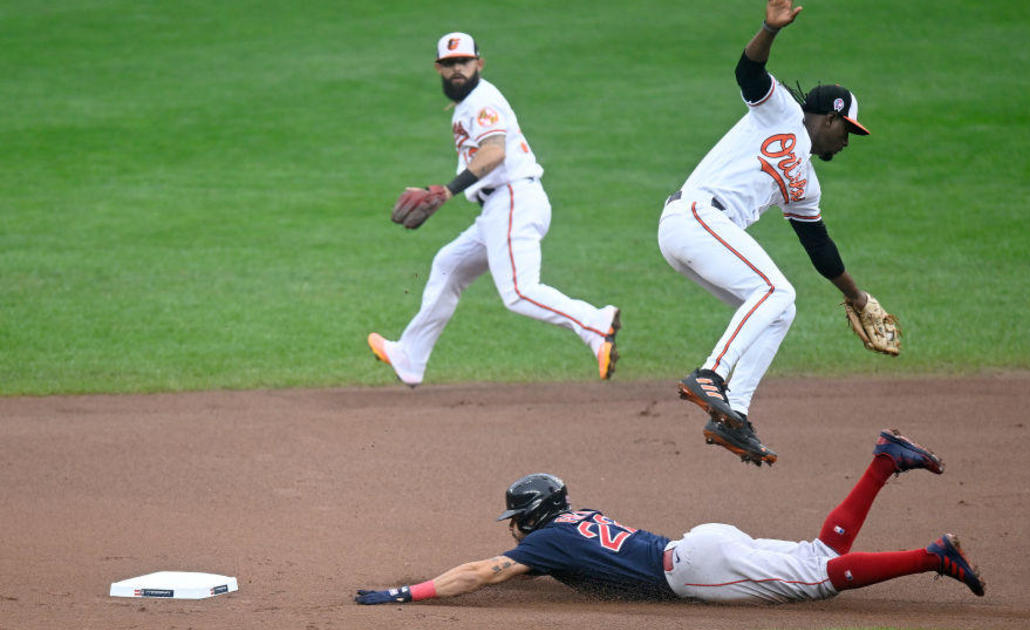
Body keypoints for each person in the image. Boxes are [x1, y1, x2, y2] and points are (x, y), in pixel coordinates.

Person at [353, 429, 985, 606]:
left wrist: (408, 593)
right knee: (819, 557)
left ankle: (933, 556)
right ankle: (883, 461)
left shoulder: (545, 544)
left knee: (818, 581)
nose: (516, 531)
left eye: (518, 520)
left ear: (535, 517)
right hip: (702, 543)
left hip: (693, 570)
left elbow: (485, 571)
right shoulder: (576, 524)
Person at [661, 0, 900, 467]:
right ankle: (710, 374)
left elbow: (819, 247)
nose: (847, 143)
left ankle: (735, 417)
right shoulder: (782, 112)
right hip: (694, 215)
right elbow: (748, 72)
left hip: (702, 232)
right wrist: (769, 30)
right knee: (773, 289)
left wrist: (858, 298)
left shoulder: (805, 182)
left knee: (780, 308)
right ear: (830, 119)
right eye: (847, 132)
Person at [367, 32, 621, 386]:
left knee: (519, 291)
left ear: (479, 64)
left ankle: (594, 322)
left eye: (464, 62)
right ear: (439, 69)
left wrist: (448, 191)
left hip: (512, 198)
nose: (457, 69)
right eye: (449, 63)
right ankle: (409, 355)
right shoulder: (466, 105)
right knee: (448, 265)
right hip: (498, 207)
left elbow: (494, 151)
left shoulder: (482, 102)